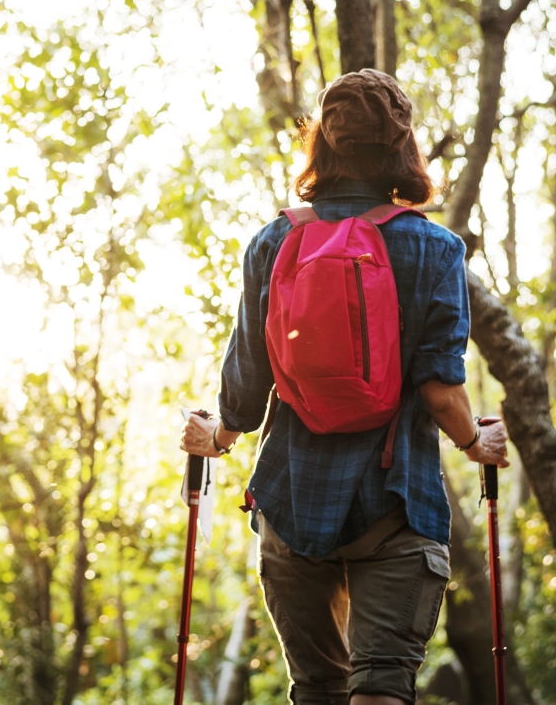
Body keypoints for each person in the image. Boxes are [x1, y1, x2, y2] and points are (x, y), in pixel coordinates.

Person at [180, 69, 509, 705]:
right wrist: (476, 442)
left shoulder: (274, 241)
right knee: (381, 688)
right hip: (396, 501)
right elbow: (441, 393)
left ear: (321, 145)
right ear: (401, 148)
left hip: (292, 501)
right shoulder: (436, 249)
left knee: (317, 690)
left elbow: (245, 388)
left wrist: (213, 437)